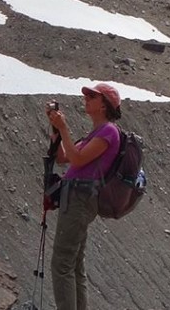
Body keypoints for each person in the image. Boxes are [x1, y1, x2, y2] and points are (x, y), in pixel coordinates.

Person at [44, 84, 123, 310]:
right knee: (74, 264)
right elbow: (62, 157)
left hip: (80, 199)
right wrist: (57, 131)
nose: (86, 99)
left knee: (61, 263)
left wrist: (65, 128)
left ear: (105, 105)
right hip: (77, 197)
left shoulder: (109, 132)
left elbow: (77, 160)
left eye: (92, 96)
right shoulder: (94, 134)